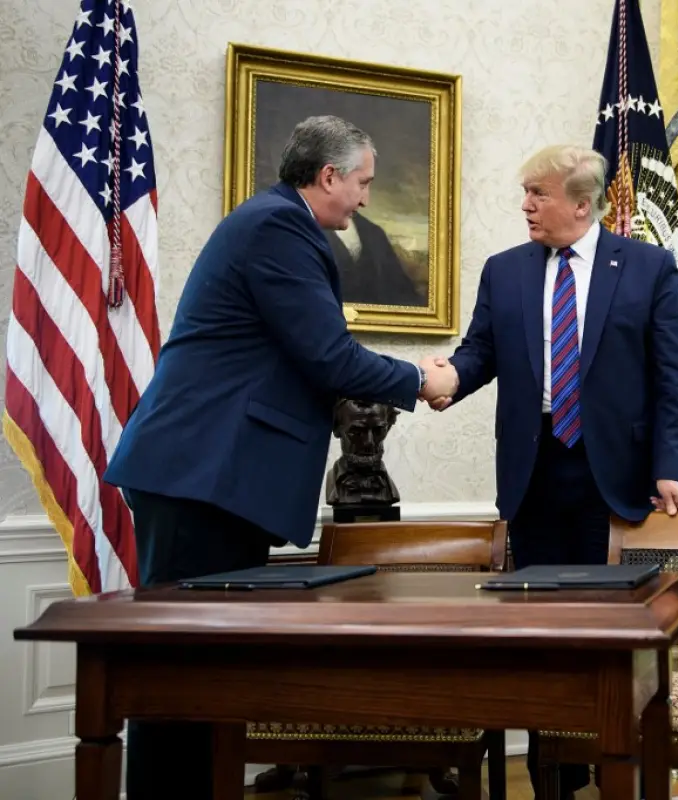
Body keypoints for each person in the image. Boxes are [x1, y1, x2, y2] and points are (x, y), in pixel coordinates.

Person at [103, 114, 457, 800]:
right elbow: (328, 356)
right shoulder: (278, 228)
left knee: (203, 675)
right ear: (328, 177)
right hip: (202, 472)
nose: (365, 200)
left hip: (212, 475)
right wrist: (422, 379)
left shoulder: (277, 224)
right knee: (180, 678)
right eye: (362, 183)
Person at [426, 143, 678, 798]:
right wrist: (445, 381)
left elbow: (672, 376)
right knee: (541, 634)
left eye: (537, 194)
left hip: (618, 481)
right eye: (525, 193)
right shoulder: (505, 270)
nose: (525, 205)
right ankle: (554, 781)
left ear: (581, 203)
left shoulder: (650, 268)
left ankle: (615, 772)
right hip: (534, 469)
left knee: (608, 639)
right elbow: (480, 350)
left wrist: (669, 465)